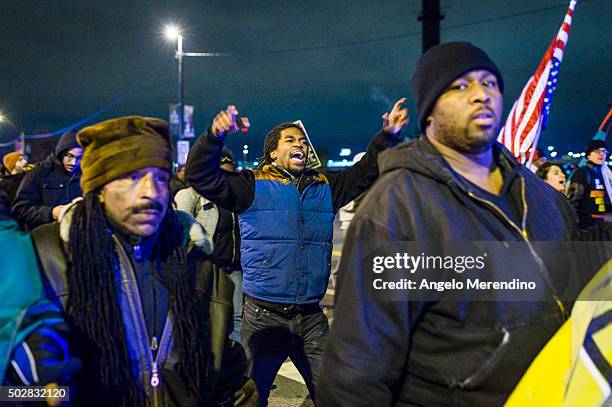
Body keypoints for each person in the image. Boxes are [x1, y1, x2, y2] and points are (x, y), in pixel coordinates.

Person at [317, 42, 584, 406]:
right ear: (429, 111)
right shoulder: (398, 209)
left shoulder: (540, 195)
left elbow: (580, 281)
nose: (480, 95)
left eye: (489, 83)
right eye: (460, 86)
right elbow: (356, 372)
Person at [185, 102, 408, 405]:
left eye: (302, 140)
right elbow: (199, 175)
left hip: (311, 319)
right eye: (290, 140)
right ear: (273, 153)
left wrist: (388, 134)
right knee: (249, 398)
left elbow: (366, 170)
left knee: (337, 394)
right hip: (263, 318)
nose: (299, 143)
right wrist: (214, 135)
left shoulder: (325, 186)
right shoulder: (251, 185)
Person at [30, 116, 257, 406]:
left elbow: (226, 372)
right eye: (132, 177)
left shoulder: (196, 261)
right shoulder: (47, 256)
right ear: (98, 189)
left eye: (160, 178)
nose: (151, 192)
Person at [175, 148, 244, 344]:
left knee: (236, 319)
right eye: (221, 173)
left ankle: (234, 366)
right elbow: (181, 235)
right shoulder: (189, 196)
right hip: (206, 271)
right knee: (205, 318)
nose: (226, 179)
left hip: (233, 269)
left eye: (231, 173)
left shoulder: (235, 198)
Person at [12, 131, 83, 230]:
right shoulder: (38, 174)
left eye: (79, 157)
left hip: (77, 238)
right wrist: (51, 213)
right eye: (70, 156)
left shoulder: (86, 176)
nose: (74, 162)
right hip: (45, 239)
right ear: (61, 153)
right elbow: (20, 210)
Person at [566, 139, 611, 230]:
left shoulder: (608, 174)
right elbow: (573, 200)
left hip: (605, 223)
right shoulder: (582, 172)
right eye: (597, 151)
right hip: (587, 225)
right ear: (589, 155)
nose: (601, 154)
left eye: (603, 151)